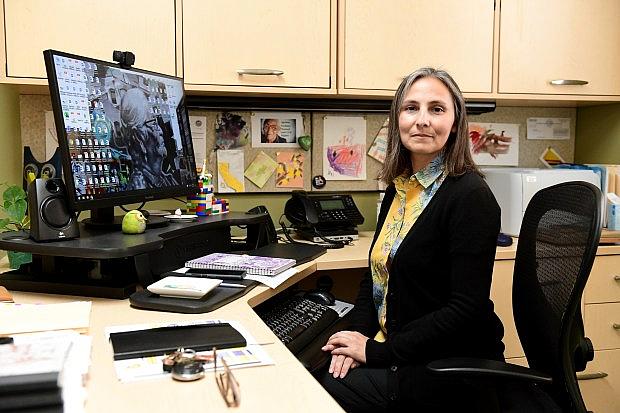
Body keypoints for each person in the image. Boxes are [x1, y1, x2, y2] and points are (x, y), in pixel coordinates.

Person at [319, 68, 505, 412]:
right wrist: (356, 340)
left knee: (324, 386)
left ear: (455, 122)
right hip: (405, 346)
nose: (422, 120)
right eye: (411, 108)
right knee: (329, 361)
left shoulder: (470, 196)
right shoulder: (400, 188)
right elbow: (374, 277)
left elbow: (465, 309)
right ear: (398, 118)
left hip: (449, 364)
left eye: (436, 109)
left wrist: (375, 352)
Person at [118, 88, 179, 189]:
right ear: (139, 139)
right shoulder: (138, 187)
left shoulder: (166, 180)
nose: (160, 130)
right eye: (153, 123)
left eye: (157, 122)